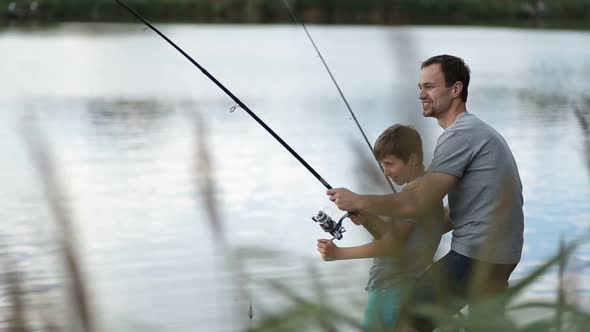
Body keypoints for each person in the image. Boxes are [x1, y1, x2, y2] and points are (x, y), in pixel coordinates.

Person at [326, 54, 524, 331]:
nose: (421, 94)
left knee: (408, 319)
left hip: (477, 253)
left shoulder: (460, 135)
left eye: (429, 87)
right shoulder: (474, 132)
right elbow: (446, 216)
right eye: (419, 87)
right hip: (501, 254)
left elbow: (417, 202)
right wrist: (372, 215)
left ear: (455, 90)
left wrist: (360, 200)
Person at [316, 124, 445, 331]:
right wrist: (368, 219)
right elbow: (400, 237)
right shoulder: (422, 191)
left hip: (391, 290)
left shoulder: (413, 196)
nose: (385, 172)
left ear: (412, 159)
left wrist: (339, 253)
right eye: (382, 165)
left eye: (389, 164)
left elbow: (392, 246)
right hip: (405, 287)